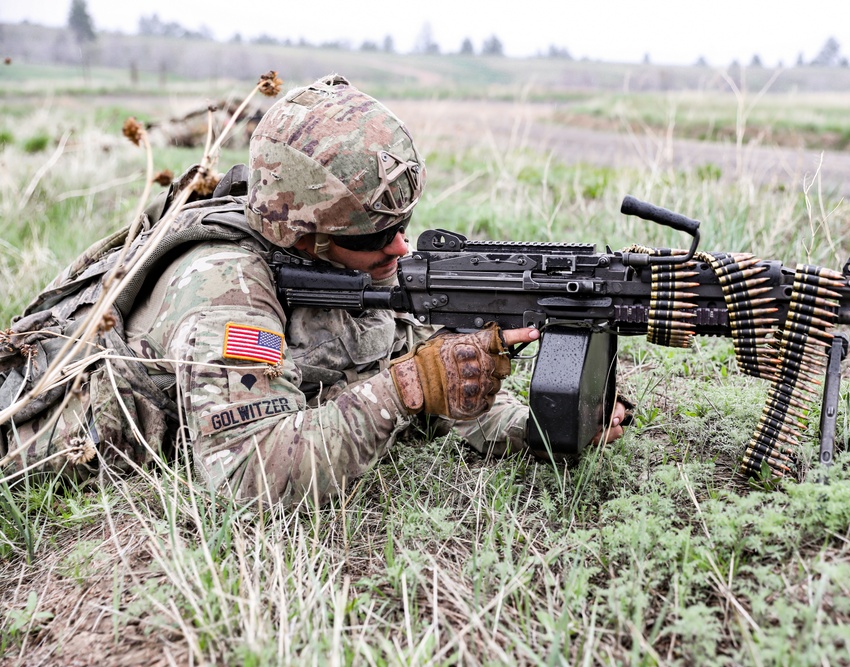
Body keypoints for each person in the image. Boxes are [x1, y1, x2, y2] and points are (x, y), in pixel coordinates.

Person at [3, 74, 628, 506]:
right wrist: (408, 388)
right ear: (306, 235)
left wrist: (537, 427)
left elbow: (380, 381)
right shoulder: (225, 287)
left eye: (402, 228)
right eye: (375, 236)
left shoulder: (335, 267)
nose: (400, 250)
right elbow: (247, 477)